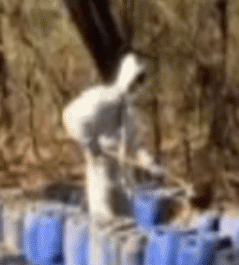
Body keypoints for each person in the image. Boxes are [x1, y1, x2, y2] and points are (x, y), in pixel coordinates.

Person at [61, 52, 164, 222]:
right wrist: (91, 147)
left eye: (140, 82)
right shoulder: (104, 98)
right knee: (105, 225)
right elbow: (74, 118)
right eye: (135, 81)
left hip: (122, 179)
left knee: (127, 227)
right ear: (127, 77)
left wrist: (149, 163)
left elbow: (136, 146)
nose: (137, 87)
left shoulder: (131, 114)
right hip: (100, 172)